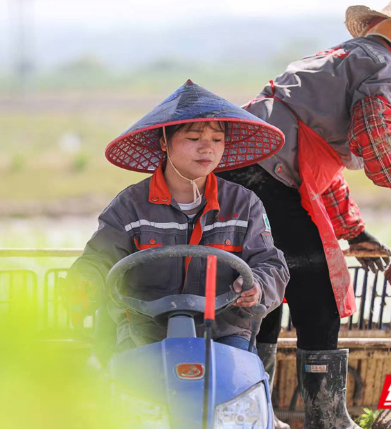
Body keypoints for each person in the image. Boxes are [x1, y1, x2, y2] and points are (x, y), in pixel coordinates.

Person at [219, 0, 391, 429]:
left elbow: (318, 162)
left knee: (266, 288)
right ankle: (328, 425)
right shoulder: (386, 66)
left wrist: (355, 232)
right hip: (267, 178)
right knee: (318, 292)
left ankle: (257, 416)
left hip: (238, 171)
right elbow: (375, 137)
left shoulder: (341, 57)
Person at [65, 79, 289, 353]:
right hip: (144, 332)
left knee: (239, 387)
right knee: (129, 385)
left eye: (217, 140)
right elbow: (98, 259)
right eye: (194, 139)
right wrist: (84, 283)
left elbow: (271, 264)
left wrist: (258, 286)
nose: (207, 148)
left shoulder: (244, 204)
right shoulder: (130, 205)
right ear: (163, 143)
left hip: (223, 333)